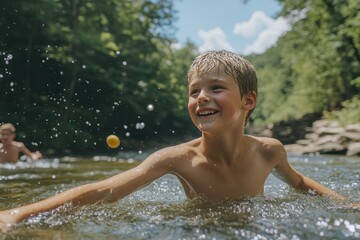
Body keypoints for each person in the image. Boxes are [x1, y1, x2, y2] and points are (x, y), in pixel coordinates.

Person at [0, 50, 358, 232]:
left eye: (216, 88)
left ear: (248, 101)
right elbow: (104, 189)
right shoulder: (176, 159)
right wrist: (20, 213)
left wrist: (345, 204)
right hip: (198, 229)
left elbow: (299, 183)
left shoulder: (269, 151)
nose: (201, 97)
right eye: (194, 91)